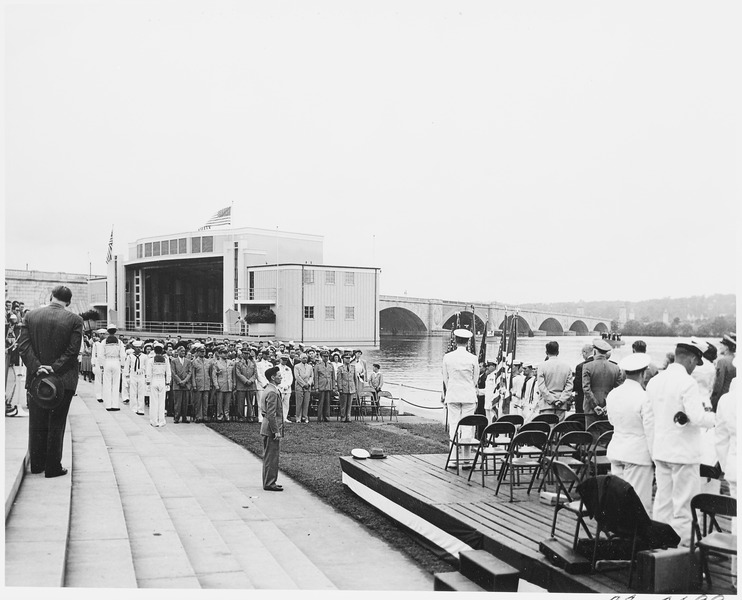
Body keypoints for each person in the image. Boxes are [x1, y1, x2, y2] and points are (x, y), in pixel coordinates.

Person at [646, 339, 715, 545]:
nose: (694, 368)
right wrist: (716, 419)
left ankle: (659, 551)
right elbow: (697, 416)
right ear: (692, 359)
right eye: (695, 363)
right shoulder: (687, 382)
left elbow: (649, 420)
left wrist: (653, 448)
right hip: (684, 454)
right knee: (685, 506)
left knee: (662, 504)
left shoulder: (655, 381)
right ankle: (684, 553)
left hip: (661, 451)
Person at [16, 285, 83, 477]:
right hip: (64, 380)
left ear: (51, 296)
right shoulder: (75, 320)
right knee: (57, 422)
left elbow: (23, 347)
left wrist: (38, 367)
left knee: (37, 421)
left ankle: (37, 464)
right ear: (68, 302)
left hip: (36, 379)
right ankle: (53, 466)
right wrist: (54, 368)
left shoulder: (31, 316)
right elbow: (73, 351)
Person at [605, 353, 655, 514]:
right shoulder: (645, 397)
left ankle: (621, 535)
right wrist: (655, 457)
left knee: (619, 499)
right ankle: (636, 537)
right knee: (639, 503)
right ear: (643, 373)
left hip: (617, 449)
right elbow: (650, 430)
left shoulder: (613, 394)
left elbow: (612, 421)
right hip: (638, 454)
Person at [442, 329, 479, 464]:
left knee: (454, 426)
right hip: (468, 395)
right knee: (467, 427)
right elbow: (475, 379)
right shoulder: (473, 358)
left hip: (453, 394)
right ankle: (466, 459)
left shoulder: (447, 357)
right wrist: (468, 387)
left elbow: (445, 378)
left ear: (456, 340)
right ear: (468, 341)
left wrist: (451, 388)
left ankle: (452, 459)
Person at [715, 358, 737, 588]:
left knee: (737, 520)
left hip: (735, 468)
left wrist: (726, 464)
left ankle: (735, 575)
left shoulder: (727, 400)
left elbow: (720, 440)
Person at [582, 338, 624, 427]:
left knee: (592, 436)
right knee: (606, 436)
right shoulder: (616, 368)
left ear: (595, 351)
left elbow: (586, 388)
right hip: (608, 409)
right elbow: (619, 390)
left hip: (590, 409)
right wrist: (607, 406)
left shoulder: (587, 366)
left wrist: (595, 405)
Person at [537, 341, 574, 421]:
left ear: (546, 352)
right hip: (561, 406)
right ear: (558, 352)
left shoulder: (542, 366)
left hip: (546, 405)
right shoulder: (567, 367)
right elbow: (569, 387)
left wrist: (552, 400)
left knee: (547, 429)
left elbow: (542, 387)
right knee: (558, 430)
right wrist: (561, 400)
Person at [261, 366, 284, 491]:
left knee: (269, 456)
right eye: (279, 375)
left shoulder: (269, 389)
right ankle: (270, 483)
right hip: (270, 429)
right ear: (273, 377)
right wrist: (276, 431)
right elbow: (271, 414)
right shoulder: (272, 392)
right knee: (272, 457)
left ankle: (269, 481)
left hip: (266, 427)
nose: (281, 377)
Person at [146, 342, 171, 427]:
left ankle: (154, 421)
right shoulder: (166, 360)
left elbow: (148, 373)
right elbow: (168, 372)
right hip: (162, 380)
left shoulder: (151, 360)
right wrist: (168, 382)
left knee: (154, 401)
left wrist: (148, 382)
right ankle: (161, 420)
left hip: (154, 379)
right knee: (161, 401)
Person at [101, 324, 126, 412]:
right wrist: (122, 364)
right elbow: (123, 355)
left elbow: (101, 354)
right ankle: (115, 405)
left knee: (107, 383)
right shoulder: (119, 342)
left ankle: (108, 405)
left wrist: (101, 365)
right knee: (115, 384)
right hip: (116, 362)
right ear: (115, 331)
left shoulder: (104, 342)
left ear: (108, 331)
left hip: (107, 361)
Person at [710, 333, 736, 411]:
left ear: (726, 347)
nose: (720, 347)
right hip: (733, 400)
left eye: (722, 345)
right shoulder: (735, 360)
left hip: (721, 400)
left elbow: (718, 385)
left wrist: (712, 403)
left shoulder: (722, 361)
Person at [124, 340, 147, 416]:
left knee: (141, 392)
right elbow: (127, 367)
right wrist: (127, 376)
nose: (138, 349)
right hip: (133, 374)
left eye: (139, 348)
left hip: (141, 375)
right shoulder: (130, 357)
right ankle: (133, 408)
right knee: (133, 392)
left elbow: (147, 367)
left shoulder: (144, 357)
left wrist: (146, 375)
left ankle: (140, 409)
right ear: (134, 348)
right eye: (136, 348)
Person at [170, 345, 192, 423]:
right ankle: (176, 417)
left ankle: (184, 417)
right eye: (181, 351)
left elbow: (190, 372)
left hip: (186, 384)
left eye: (184, 351)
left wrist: (185, 381)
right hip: (177, 384)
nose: (183, 353)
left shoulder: (188, 361)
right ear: (178, 352)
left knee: (185, 403)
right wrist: (179, 381)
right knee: (177, 402)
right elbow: (173, 372)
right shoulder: (174, 361)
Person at [336, 352, 360, 422]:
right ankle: (343, 416)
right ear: (343, 359)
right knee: (343, 403)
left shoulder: (353, 367)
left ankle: (348, 416)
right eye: (346, 358)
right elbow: (339, 379)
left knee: (350, 403)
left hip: (351, 387)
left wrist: (356, 387)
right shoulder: (340, 368)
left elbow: (355, 378)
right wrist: (340, 388)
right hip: (344, 387)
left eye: (349, 358)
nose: (348, 360)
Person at [190, 344, 211, 423]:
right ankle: (198, 416)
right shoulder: (194, 362)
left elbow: (210, 373)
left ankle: (205, 416)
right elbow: (193, 374)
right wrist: (194, 384)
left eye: (204, 352)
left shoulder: (208, 361)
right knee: (198, 401)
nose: (202, 353)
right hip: (198, 383)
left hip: (206, 383)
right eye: (201, 352)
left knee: (205, 401)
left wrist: (210, 383)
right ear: (197, 352)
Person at [314, 349, 335, 422]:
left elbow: (333, 377)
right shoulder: (318, 365)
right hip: (321, 386)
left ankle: (327, 417)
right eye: (324, 356)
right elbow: (316, 377)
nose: (326, 358)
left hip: (328, 386)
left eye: (327, 356)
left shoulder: (330, 365)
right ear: (321, 357)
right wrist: (316, 387)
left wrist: (333, 387)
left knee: (327, 402)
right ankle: (320, 417)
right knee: (321, 402)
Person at [572, 344, 593, 414]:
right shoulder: (599, 364)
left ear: (585, 352)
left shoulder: (580, 366)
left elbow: (577, 385)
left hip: (582, 399)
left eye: (582, 354)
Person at [293, 353, 313, 423]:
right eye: (303, 358)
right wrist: (303, 384)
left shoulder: (310, 367)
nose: (305, 359)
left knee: (306, 402)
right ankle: (298, 417)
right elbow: (297, 376)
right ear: (300, 359)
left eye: (306, 358)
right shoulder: (296, 366)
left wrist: (309, 383)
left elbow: (311, 376)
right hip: (299, 386)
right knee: (299, 402)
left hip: (308, 386)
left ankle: (305, 417)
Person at [277, 354, 294, 422]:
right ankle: (279, 417)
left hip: (287, 389)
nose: (284, 361)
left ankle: (284, 417)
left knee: (286, 404)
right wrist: (281, 386)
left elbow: (291, 378)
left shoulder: (288, 368)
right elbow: (276, 378)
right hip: (280, 388)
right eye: (283, 359)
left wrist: (287, 385)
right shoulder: (277, 367)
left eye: (286, 360)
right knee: (279, 404)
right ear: (280, 359)